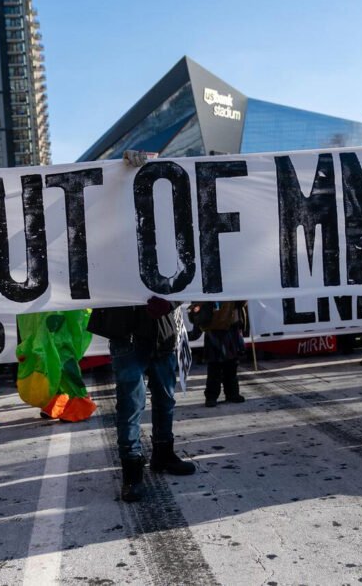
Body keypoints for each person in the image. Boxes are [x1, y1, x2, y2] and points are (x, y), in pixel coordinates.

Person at [86, 149, 196, 503]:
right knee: (130, 404)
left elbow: (191, 272)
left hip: (160, 329)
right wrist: (121, 167)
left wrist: (173, 301)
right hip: (126, 332)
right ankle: (132, 468)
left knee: (165, 398)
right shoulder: (105, 230)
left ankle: (162, 454)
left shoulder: (169, 229)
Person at [188, 301, 247, 406]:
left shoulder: (233, 288)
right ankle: (211, 397)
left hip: (231, 327)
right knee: (214, 367)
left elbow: (242, 302)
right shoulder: (206, 290)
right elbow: (196, 309)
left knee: (231, 365)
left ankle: (232, 394)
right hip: (213, 329)